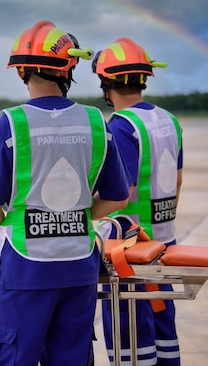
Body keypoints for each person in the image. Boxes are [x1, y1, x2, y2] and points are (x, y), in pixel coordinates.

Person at [0, 20, 132, 366]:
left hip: (25, 270)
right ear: (68, 68)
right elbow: (118, 198)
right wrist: (79, 216)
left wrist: (1, 228)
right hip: (79, 267)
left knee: (13, 356)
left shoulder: (10, 124)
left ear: (21, 71)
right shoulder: (97, 122)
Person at [93, 38, 183, 365]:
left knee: (129, 330)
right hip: (164, 238)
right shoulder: (168, 121)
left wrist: (85, 213)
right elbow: (178, 180)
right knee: (163, 329)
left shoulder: (122, 126)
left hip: (130, 244)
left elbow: (123, 192)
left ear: (106, 82)